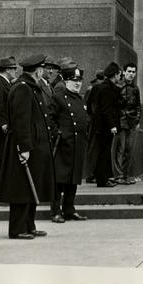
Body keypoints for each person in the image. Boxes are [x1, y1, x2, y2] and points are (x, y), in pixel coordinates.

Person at [0, 53, 55, 240]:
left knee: (31, 187)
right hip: (25, 148)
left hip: (33, 147)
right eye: (42, 69)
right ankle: (17, 228)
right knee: (22, 189)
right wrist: (24, 148)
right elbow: (21, 121)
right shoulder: (22, 88)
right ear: (37, 71)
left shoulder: (30, 87)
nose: (44, 71)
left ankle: (29, 225)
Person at [49, 65, 89, 222]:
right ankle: (55, 211)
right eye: (74, 80)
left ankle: (69, 209)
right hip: (63, 145)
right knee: (60, 180)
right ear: (66, 81)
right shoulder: (58, 97)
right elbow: (50, 118)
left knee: (73, 179)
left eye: (79, 80)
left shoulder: (79, 98)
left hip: (77, 144)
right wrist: (58, 133)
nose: (77, 83)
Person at [88, 62, 122, 187]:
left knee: (104, 152)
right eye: (119, 74)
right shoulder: (107, 88)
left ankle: (104, 177)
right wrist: (112, 125)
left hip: (102, 125)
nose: (120, 77)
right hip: (105, 126)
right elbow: (106, 109)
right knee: (103, 152)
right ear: (115, 75)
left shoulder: (105, 87)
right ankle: (102, 179)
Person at [0, 55, 18, 196]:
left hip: (3, 131)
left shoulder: (5, 83)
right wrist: (3, 124)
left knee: (1, 162)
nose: (15, 71)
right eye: (14, 69)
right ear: (7, 70)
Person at [113, 62, 141, 185]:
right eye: (129, 71)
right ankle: (118, 175)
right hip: (120, 121)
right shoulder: (118, 86)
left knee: (129, 149)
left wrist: (138, 119)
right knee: (120, 148)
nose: (131, 74)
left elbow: (138, 105)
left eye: (133, 72)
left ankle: (124, 175)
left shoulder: (135, 88)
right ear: (124, 72)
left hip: (132, 122)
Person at [83, 69, 105, 183]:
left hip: (93, 121)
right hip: (94, 122)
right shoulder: (95, 88)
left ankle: (92, 173)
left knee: (93, 148)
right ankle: (91, 174)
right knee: (94, 148)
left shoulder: (92, 87)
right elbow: (89, 105)